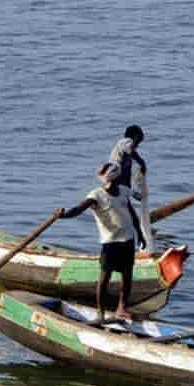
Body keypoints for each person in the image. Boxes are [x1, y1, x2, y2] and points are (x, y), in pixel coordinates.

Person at [57, 163, 146, 322]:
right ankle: (100, 313)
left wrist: (141, 235)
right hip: (110, 243)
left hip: (127, 240)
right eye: (112, 180)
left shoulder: (124, 192)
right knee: (104, 278)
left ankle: (121, 309)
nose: (114, 184)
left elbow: (132, 215)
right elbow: (79, 209)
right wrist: (64, 215)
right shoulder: (96, 195)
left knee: (127, 277)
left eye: (116, 180)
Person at [108, 125, 152, 250]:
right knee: (126, 220)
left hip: (121, 191)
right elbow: (130, 149)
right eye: (138, 142)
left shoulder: (127, 160)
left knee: (132, 219)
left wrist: (133, 193)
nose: (137, 145)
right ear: (135, 137)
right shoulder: (125, 142)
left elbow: (126, 182)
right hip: (113, 187)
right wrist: (141, 162)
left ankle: (140, 241)